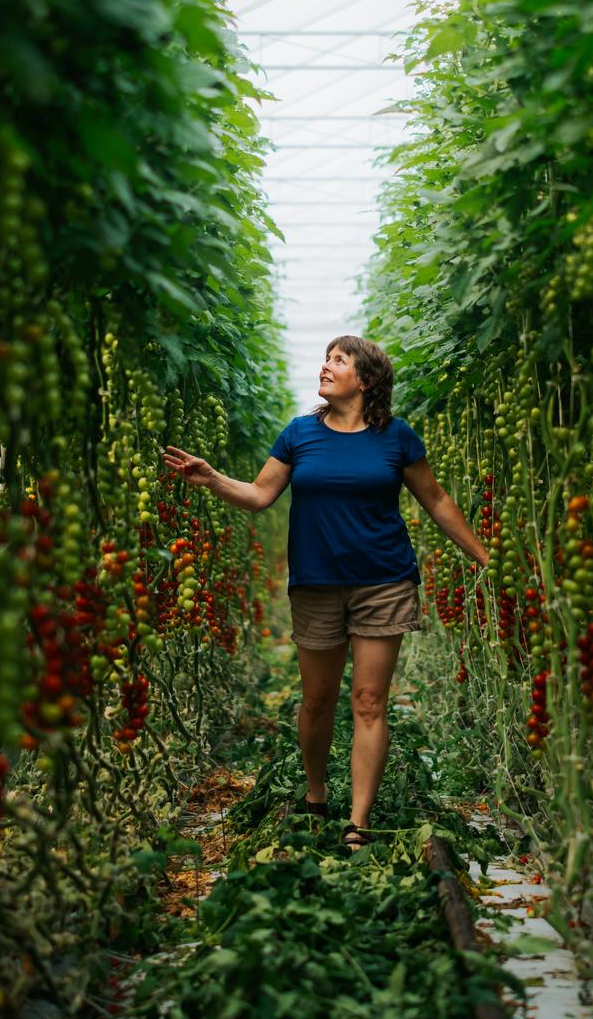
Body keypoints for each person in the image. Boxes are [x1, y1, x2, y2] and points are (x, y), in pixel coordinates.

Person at [162, 335, 491, 851]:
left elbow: (436, 499)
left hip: (383, 581)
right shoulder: (299, 435)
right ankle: (316, 795)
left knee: (368, 701)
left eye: (339, 360)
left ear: (366, 380)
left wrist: (485, 557)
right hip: (315, 584)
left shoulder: (397, 437)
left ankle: (358, 822)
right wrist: (212, 478)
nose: (325, 365)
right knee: (317, 700)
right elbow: (259, 495)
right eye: (326, 358)